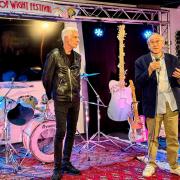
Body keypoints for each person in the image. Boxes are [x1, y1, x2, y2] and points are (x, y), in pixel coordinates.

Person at [135, 33, 180, 177]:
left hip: (170, 103)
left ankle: (174, 165)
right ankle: (151, 164)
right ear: (148, 45)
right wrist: (149, 70)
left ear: (163, 44)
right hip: (153, 104)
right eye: (152, 42)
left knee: (172, 137)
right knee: (153, 137)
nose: (155, 44)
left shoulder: (173, 60)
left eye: (158, 41)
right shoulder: (141, 61)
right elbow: (139, 83)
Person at [42, 26, 81, 180]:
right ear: (67, 39)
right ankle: (57, 168)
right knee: (60, 133)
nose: (78, 40)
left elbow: (76, 77)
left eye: (78, 37)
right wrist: (52, 94)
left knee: (71, 132)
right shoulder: (55, 54)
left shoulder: (78, 56)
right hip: (61, 99)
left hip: (75, 99)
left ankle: (66, 162)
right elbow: (46, 77)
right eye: (75, 37)